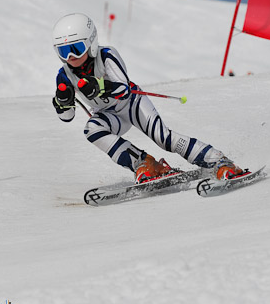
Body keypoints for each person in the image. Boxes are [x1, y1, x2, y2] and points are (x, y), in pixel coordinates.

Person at [51, 13, 243, 183]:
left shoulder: (107, 55)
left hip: (132, 105)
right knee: (91, 129)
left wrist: (100, 87)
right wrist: (62, 102)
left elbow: (123, 90)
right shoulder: (65, 74)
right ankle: (145, 164)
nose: (70, 56)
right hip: (110, 115)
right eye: (63, 51)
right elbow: (66, 117)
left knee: (163, 138)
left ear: (91, 43)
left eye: (76, 48)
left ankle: (218, 161)